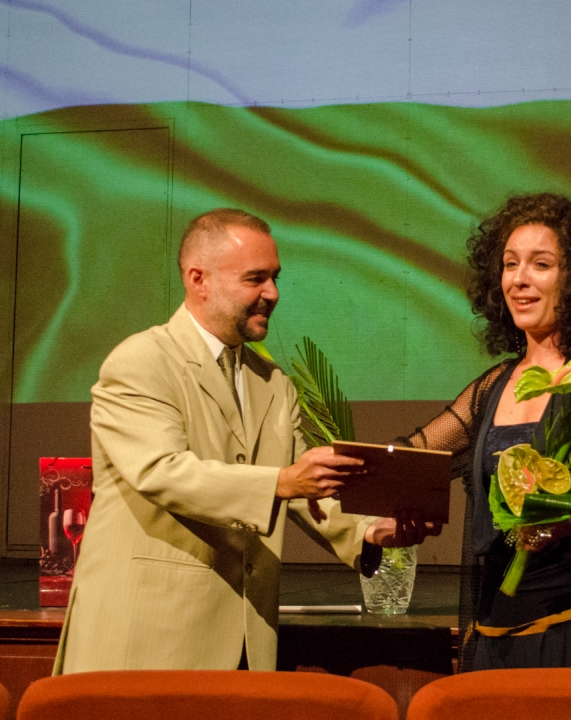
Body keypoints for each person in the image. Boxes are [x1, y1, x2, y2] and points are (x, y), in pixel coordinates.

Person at [53, 208, 436, 674]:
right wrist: (282, 482)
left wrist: (369, 531)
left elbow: (306, 488)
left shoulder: (272, 383)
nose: (272, 293)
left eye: (275, 278)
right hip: (148, 638)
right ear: (199, 280)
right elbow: (161, 471)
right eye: (255, 279)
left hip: (244, 644)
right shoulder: (141, 362)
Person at [398, 193, 571, 670]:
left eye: (540, 264)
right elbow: (416, 453)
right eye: (510, 264)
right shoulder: (493, 386)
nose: (519, 279)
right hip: (493, 636)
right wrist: (345, 468)